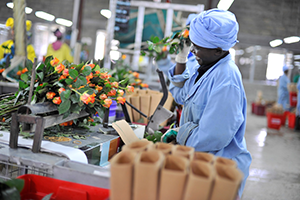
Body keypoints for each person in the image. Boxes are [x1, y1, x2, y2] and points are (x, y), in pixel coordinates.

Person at [159, 9, 252, 199]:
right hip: (201, 160)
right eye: (192, 44)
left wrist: (181, 133)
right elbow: (180, 95)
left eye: (197, 47)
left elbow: (213, 136)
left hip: (218, 168)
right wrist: (181, 59)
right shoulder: (206, 66)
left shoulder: (226, 79)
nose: (193, 50)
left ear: (219, 49)